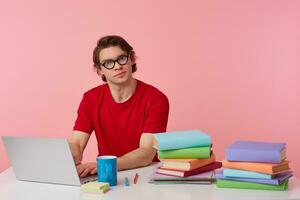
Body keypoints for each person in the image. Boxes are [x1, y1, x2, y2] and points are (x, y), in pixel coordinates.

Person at [69, 35, 169, 178]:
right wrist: (64, 162)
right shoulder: (90, 99)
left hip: (145, 175)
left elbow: (146, 153)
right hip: (106, 175)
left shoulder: (156, 99)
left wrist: (106, 164)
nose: (117, 66)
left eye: (122, 58)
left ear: (132, 59)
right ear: (99, 70)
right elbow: (77, 144)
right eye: (108, 63)